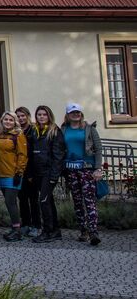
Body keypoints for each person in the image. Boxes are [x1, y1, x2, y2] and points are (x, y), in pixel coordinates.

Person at [61, 102, 103, 246]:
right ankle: (83, 230)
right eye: (73, 112)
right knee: (77, 201)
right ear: (68, 115)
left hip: (86, 168)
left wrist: (98, 168)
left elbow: (98, 149)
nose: (76, 114)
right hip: (71, 169)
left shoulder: (89, 129)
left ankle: (93, 231)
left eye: (78, 112)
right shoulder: (63, 129)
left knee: (89, 200)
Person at [30, 105, 66, 244]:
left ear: (49, 116)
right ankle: (55, 230)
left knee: (43, 201)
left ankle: (48, 231)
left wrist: (54, 175)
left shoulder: (54, 131)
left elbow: (58, 155)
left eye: (44, 114)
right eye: (39, 114)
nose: (41, 117)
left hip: (49, 172)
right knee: (48, 201)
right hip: (38, 172)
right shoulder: (35, 131)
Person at [0, 111, 28, 242]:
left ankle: (17, 230)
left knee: (10, 201)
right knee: (8, 203)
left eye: (10, 120)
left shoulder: (18, 136)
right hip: (1, 173)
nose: (8, 122)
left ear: (15, 122)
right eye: (5, 120)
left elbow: (22, 155)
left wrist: (19, 172)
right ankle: (14, 228)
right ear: (2, 121)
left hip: (12, 174)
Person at [16, 106, 40, 238]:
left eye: (23, 116)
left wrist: (32, 171)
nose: (21, 118)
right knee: (22, 198)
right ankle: (26, 224)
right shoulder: (16, 131)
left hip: (31, 168)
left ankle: (36, 225)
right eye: (18, 116)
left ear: (28, 116)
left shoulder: (33, 130)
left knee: (34, 199)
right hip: (20, 170)